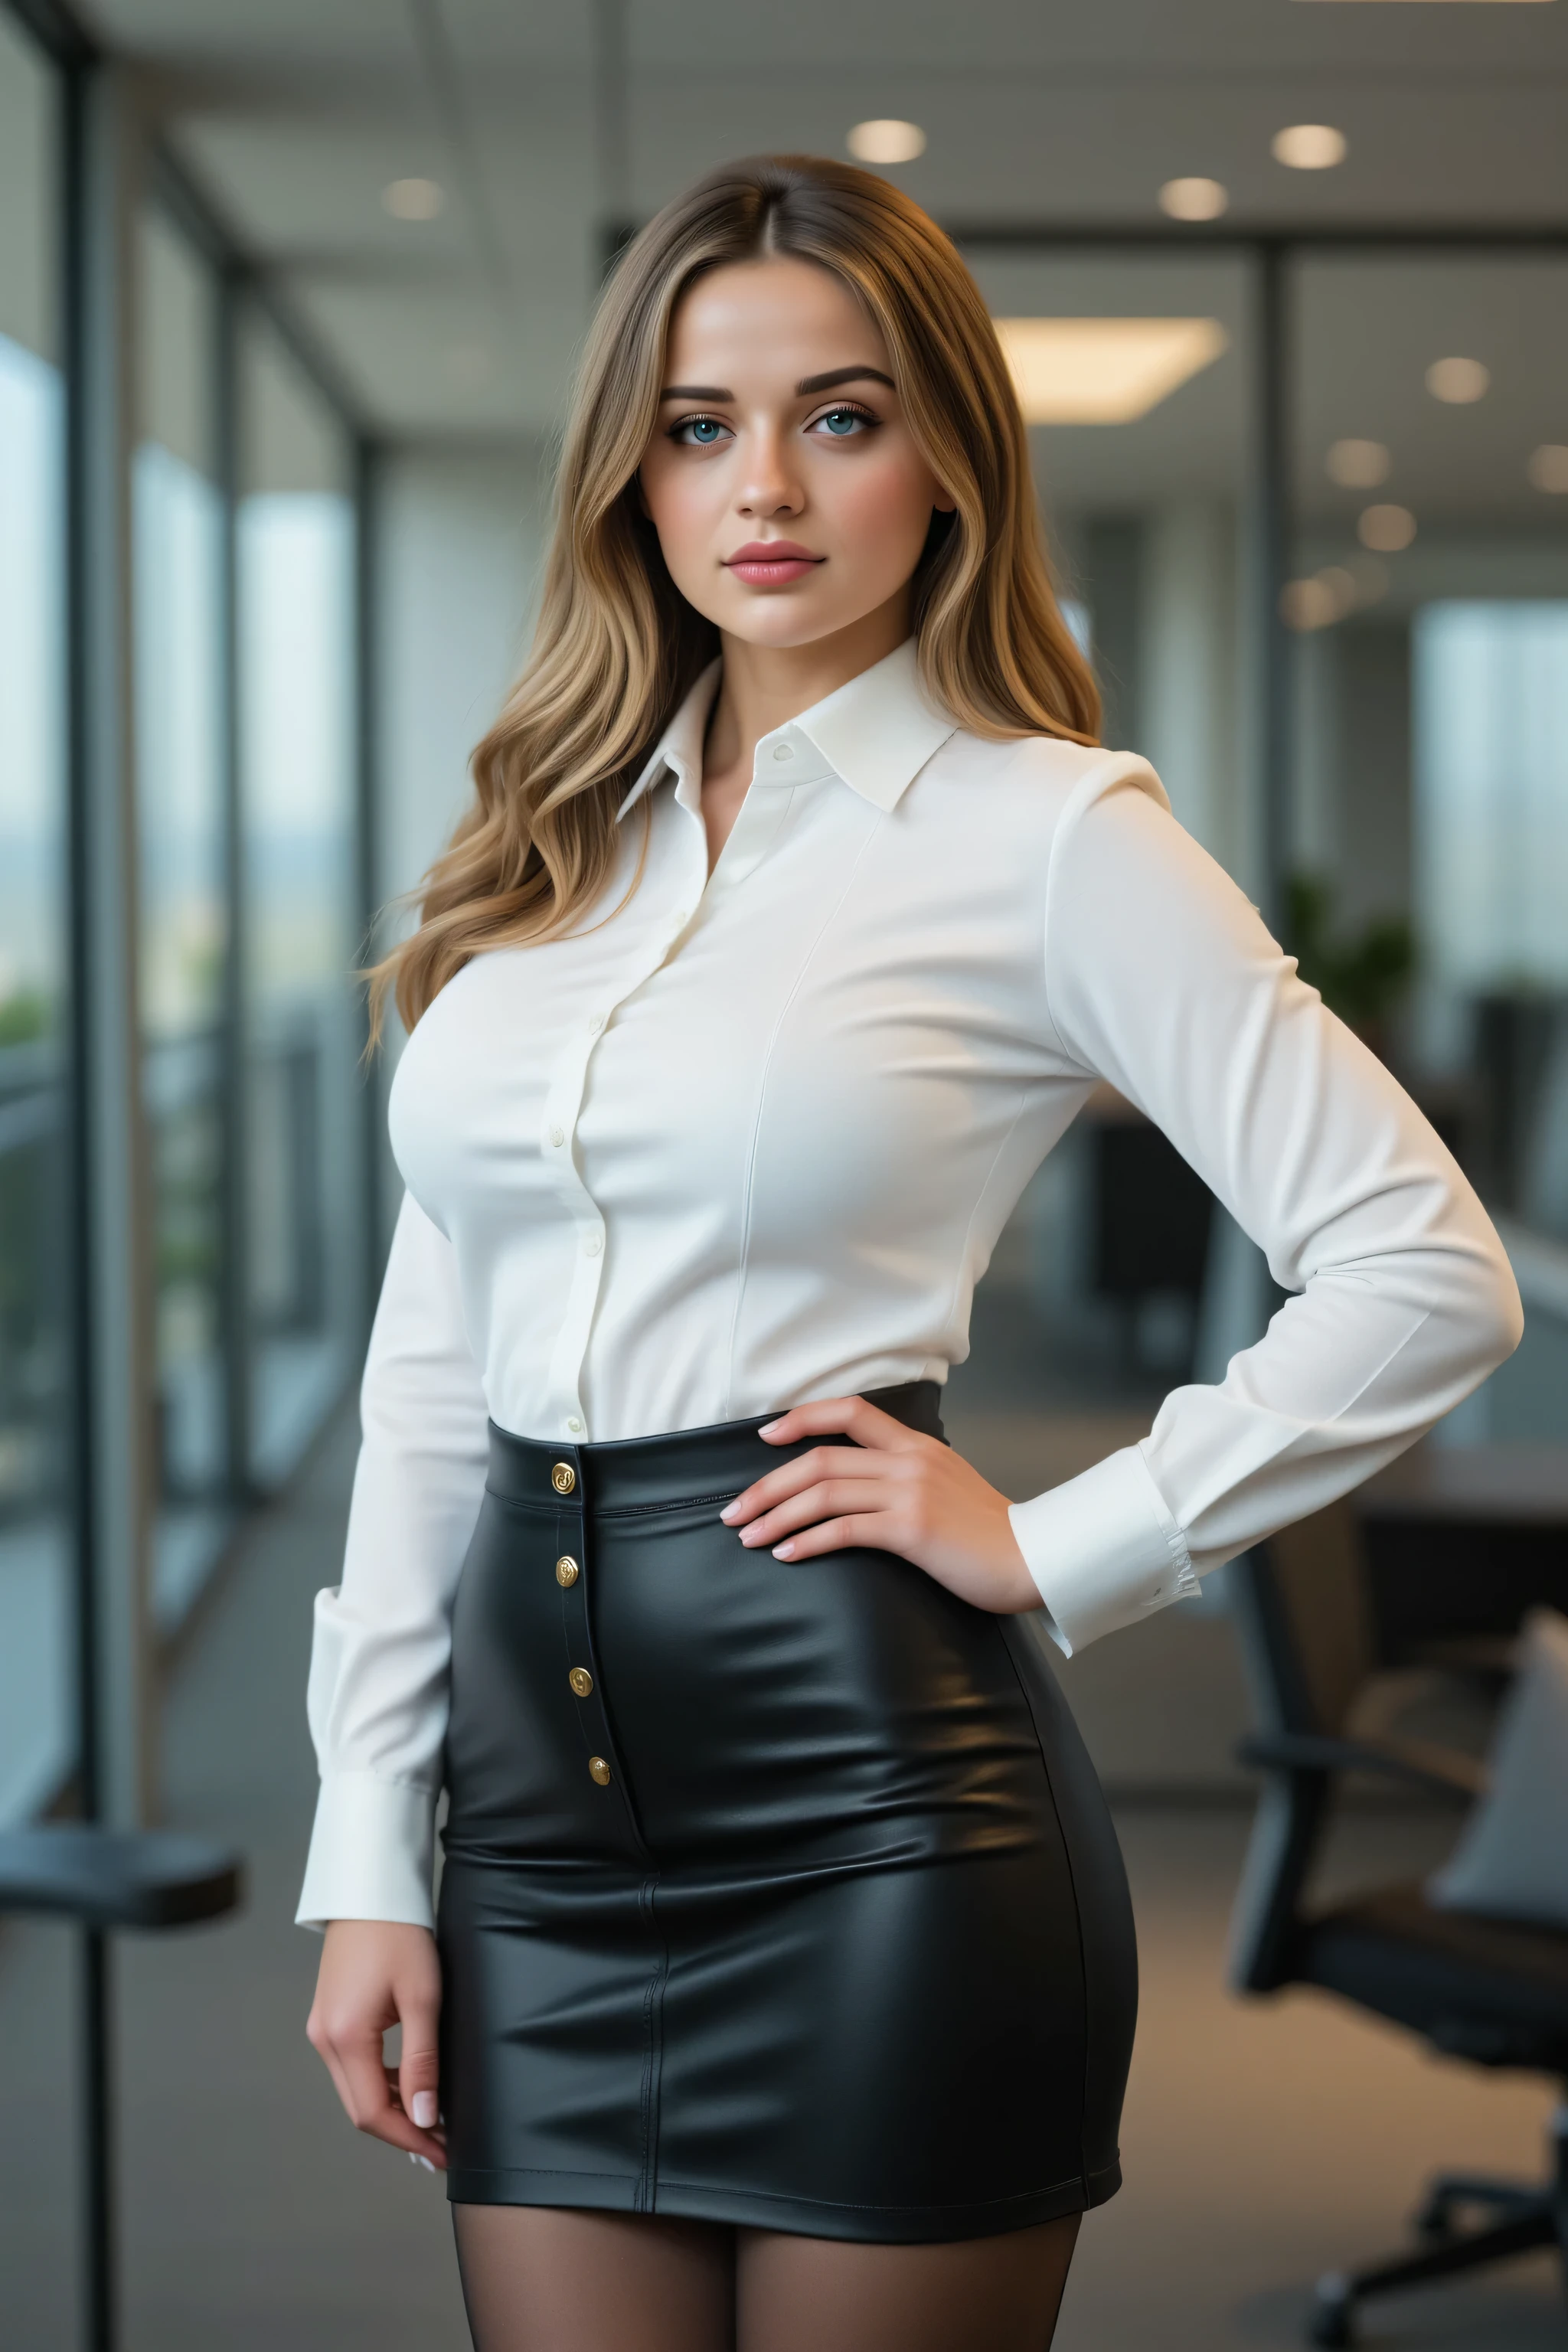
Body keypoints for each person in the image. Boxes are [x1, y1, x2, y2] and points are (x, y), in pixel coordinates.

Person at [299, 155, 1521, 2352]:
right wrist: (369, 1855)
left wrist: (1070, 1542)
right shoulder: (550, 858)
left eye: (841, 417)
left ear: (949, 455)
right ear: (631, 477)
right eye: (699, 425)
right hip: (538, 1846)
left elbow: (1426, 1267)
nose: (765, 484)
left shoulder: (1052, 834)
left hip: (882, 1828)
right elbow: (427, 1388)